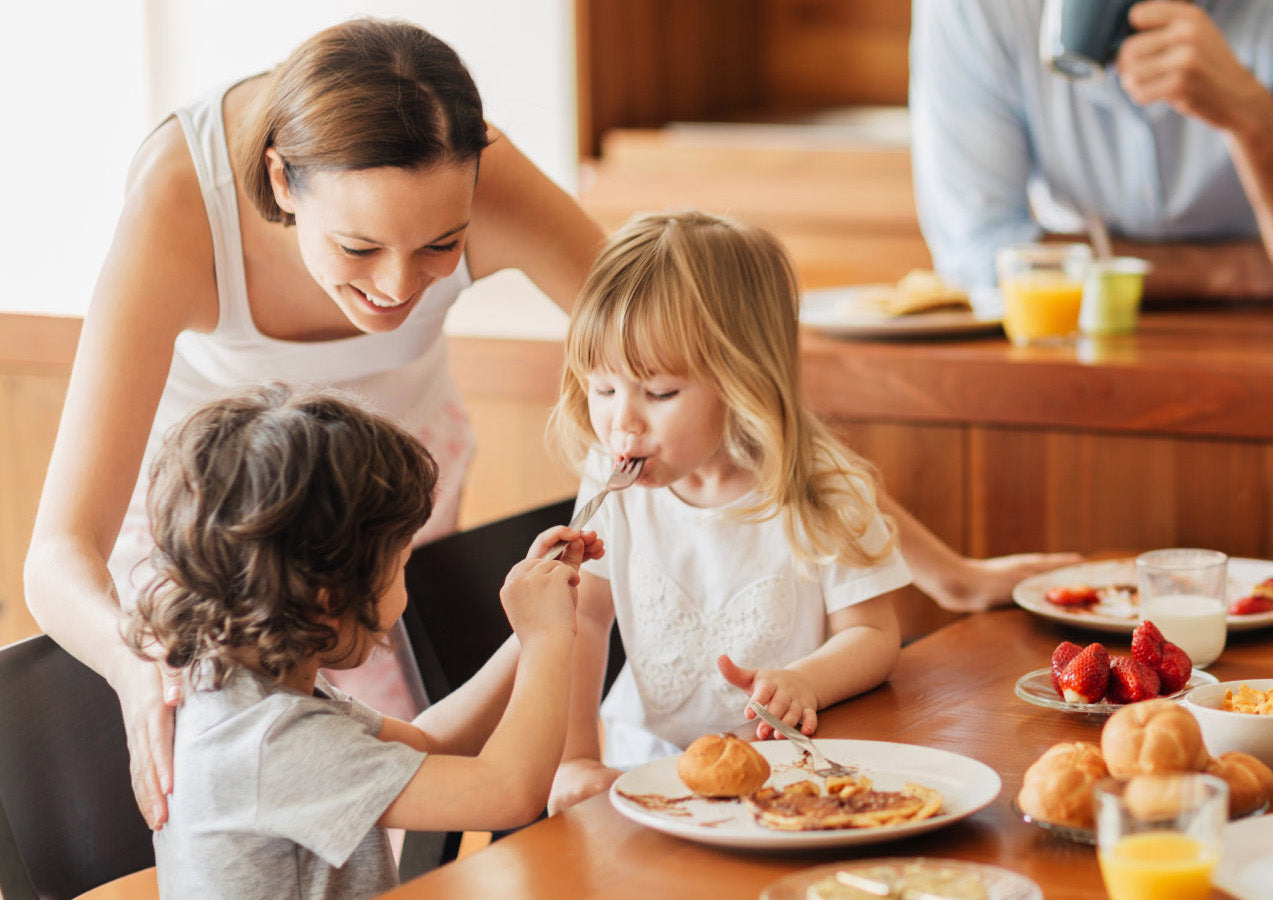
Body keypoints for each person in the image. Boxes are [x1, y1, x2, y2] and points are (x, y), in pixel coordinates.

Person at [22, 16, 1067, 832]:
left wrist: (946, 572)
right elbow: (55, 552)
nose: (397, 290)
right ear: (284, 185)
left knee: (387, 781)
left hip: (394, 501)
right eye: (357, 251)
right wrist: (132, 664)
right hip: (223, 532)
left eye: (441, 248)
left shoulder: (482, 170)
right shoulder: (180, 198)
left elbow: (723, 379)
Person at [123, 384, 601, 899]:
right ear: (331, 600)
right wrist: (550, 637)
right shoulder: (275, 743)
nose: (405, 578)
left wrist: (529, 636)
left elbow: (428, 743)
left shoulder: (246, 686)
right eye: (401, 562)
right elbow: (510, 791)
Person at [544, 210, 909, 813]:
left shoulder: (821, 487)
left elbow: (873, 634)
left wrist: (806, 681)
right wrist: (577, 756)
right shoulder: (612, 483)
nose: (621, 422)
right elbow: (583, 619)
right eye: (603, 388)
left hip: (782, 770)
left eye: (660, 393)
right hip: (642, 764)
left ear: (745, 378)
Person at [910, 0, 1273, 329]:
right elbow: (977, 257)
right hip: (1071, 348)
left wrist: (1251, 117)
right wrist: (1237, 270)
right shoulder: (973, 9)